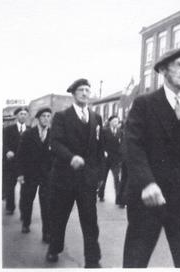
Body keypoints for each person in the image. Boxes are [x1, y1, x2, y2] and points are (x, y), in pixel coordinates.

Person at [120, 48, 180, 268]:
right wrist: (147, 183)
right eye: (179, 65)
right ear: (164, 70)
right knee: (135, 262)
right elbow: (132, 145)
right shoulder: (144, 104)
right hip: (149, 198)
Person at [45, 78, 104, 268]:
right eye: (81, 90)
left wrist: (99, 175)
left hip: (87, 180)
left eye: (88, 89)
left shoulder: (96, 118)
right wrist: (71, 157)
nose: (85, 93)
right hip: (64, 179)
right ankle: (54, 247)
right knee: (59, 217)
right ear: (73, 93)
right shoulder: (62, 117)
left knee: (90, 221)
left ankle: (92, 260)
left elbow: (99, 148)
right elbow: (55, 143)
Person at [16, 108, 52, 241]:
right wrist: (20, 174)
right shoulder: (28, 134)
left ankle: (46, 233)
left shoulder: (53, 135)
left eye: (49, 116)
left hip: (47, 176)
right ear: (38, 118)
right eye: (43, 116)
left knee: (47, 204)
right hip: (29, 174)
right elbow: (20, 156)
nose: (46, 119)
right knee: (27, 200)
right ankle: (26, 223)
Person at [3, 107, 30, 215]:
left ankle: (24, 211)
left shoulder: (30, 129)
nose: (23, 116)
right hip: (11, 163)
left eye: (25, 114)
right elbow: (3, 143)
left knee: (26, 190)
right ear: (16, 116)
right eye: (21, 114)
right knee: (10, 187)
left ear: (27, 116)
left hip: (25, 165)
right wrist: (7, 151)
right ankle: (10, 207)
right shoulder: (8, 129)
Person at [98, 115, 123, 205]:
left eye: (117, 121)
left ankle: (118, 198)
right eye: (115, 121)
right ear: (111, 122)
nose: (116, 122)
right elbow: (101, 143)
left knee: (117, 178)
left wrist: (121, 156)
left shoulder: (120, 132)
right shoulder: (105, 131)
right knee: (103, 177)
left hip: (116, 159)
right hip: (106, 158)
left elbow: (122, 145)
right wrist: (104, 151)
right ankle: (101, 195)